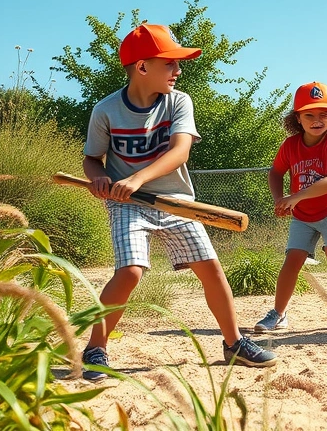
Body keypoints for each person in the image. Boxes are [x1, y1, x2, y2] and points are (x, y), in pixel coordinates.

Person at [80, 24, 278, 381]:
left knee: (211, 270)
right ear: (142, 67)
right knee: (130, 271)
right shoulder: (105, 110)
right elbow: (92, 158)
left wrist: (138, 176)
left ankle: (233, 343)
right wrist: (99, 177)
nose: (178, 70)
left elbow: (180, 150)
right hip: (128, 203)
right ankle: (96, 349)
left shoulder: (178, 101)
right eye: (169, 63)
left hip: (176, 202)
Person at [255, 82, 327, 333]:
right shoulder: (290, 145)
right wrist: (279, 198)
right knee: (292, 259)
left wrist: (294, 196)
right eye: (309, 114)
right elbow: (275, 172)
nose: (317, 120)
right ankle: (278, 313)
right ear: (297, 118)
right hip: (303, 215)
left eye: (324, 114)